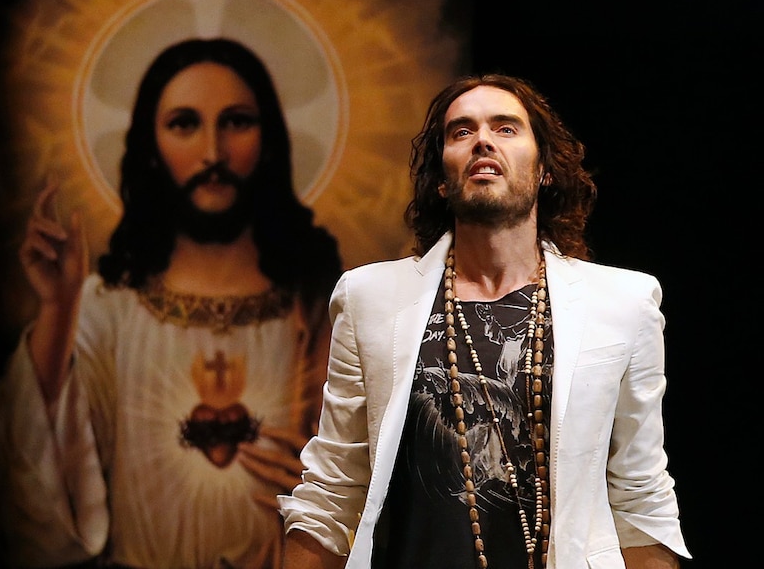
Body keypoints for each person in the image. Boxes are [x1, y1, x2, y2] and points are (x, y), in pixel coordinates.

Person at [278, 73, 692, 568]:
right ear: (439, 177)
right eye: (461, 131)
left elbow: (641, 497)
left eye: (506, 128)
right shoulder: (370, 298)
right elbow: (331, 489)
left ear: (545, 170)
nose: (483, 141)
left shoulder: (624, 302)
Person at [0, 37, 342, 569]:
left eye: (237, 121)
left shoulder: (319, 310)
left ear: (269, 141)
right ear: (151, 145)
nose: (212, 153)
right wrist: (57, 313)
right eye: (184, 124)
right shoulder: (106, 308)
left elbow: (379, 486)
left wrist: (335, 505)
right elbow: (30, 502)